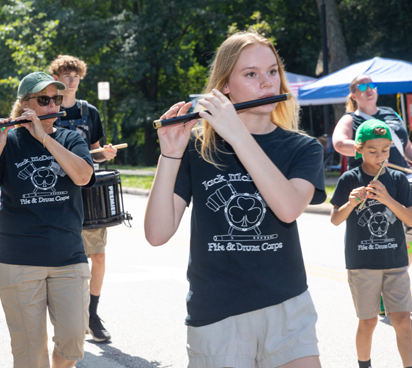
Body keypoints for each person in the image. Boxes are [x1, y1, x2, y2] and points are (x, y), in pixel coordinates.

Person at [145, 31, 326, 368]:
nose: (267, 83)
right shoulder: (197, 149)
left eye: (272, 72)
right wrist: (169, 154)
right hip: (217, 312)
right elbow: (157, 233)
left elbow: (287, 209)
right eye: (251, 74)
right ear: (225, 87)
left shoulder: (302, 148)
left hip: (287, 305)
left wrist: (238, 133)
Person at [0, 72, 95, 368]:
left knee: (73, 341)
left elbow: (82, 175)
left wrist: (44, 138)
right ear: (25, 105)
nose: (52, 105)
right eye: (43, 99)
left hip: (69, 257)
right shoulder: (8, 142)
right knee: (29, 353)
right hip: (18, 260)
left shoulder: (70, 138)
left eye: (56, 99)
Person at [332, 74, 412, 313]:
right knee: (379, 238)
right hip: (371, 184)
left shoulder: (391, 113)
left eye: (372, 85)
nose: (369, 89)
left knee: (411, 236)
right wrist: (373, 151)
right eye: (363, 87)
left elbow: (407, 145)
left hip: (402, 181)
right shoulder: (351, 118)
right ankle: (377, 293)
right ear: (353, 94)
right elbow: (339, 144)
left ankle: (391, 284)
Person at [330, 119, 412, 368]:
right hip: (362, 263)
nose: (380, 156)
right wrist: (351, 203)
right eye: (372, 151)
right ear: (358, 149)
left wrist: (387, 199)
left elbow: (410, 219)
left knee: (403, 321)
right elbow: (336, 219)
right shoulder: (349, 178)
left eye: (385, 150)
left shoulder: (398, 180)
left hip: (395, 262)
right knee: (368, 322)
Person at [49, 54, 117, 343]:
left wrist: (106, 154)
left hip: (89, 192)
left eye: (75, 74)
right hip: (59, 192)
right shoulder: (48, 109)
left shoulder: (89, 112)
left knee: (98, 255)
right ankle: (68, 317)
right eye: (66, 74)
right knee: (65, 259)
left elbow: (94, 151)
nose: (71, 79)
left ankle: (92, 313)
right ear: (57, 78)